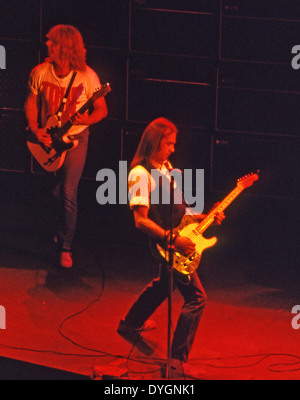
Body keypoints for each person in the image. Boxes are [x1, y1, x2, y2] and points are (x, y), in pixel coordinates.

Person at [117, 117, 225, 379]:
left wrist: (202, 217)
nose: (173, 149)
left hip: (176, 237)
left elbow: (179, 209)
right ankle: (177, 360)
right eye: (169, 144)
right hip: (166, 244)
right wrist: (172, 239)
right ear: (155, 143)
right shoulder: (140, 174)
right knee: (197, 298)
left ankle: (129, 323)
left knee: (164, 283)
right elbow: (140, 221)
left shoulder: (164, 166)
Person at [25, 25, 108, 268]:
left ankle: (65, 247)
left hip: (77, 138)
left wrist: (88, 119)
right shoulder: (40, 72)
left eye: (52, 42)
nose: (47, 44)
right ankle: (61, 228)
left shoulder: (88, 76)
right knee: (55, 193)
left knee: (69, 191)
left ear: (65, 46)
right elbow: (31, 102)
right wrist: (34, 128)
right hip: (50, 137)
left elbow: (102, 109)